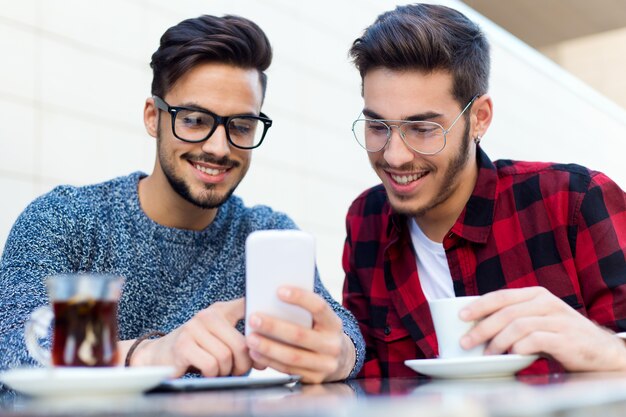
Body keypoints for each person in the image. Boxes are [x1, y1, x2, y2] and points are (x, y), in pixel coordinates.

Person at [0, 14, 364, 383]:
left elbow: (343, 329)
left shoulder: (266, 233)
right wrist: (148, 355)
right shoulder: (67, 220)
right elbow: (11, 346)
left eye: (241, 126)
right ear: (152, 117)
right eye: (194, 120)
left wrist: (338, 355)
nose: (219, 147)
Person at [342, 3, 626, 377]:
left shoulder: (573, 202)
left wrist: (607, 350)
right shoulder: (367, 221)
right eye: (377, 127)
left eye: (424, 130)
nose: (394, 156)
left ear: (479, 118)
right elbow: (363, 374)